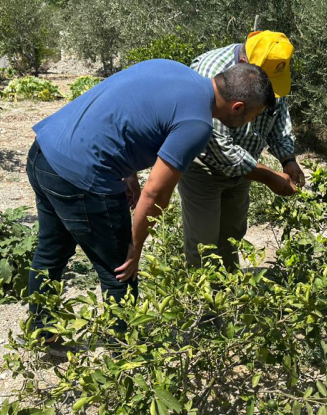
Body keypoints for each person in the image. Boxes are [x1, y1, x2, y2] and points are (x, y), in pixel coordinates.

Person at [24, 59, 275, 342]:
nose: (251, 122)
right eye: (253, 116)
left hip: (44, 153)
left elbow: (123, 109)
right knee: (120, 272)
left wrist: (128, 171)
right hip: (82, 177)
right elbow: (156, 192)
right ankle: (126, 363)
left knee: (51, 251)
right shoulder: (197, 124)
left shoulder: (171, 68)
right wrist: (135, 245)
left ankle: (41, 336)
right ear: (237, 107)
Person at [179, 31, 303, 271]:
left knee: (232, 234)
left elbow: (278, 116)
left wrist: (288, 159)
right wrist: (269, 177)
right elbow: (219, 147)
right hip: (204, 167)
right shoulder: (210, 72)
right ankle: (203, 305)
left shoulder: (271, 70)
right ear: (245, 65)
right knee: (203, 242)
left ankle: (230, 296)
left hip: (246, 168)